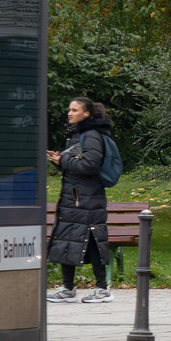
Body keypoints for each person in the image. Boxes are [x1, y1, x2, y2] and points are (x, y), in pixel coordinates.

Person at [46, 96, 115, 303]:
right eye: (69, 109)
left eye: (75, 110)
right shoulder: (77, 134)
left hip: (87, 199)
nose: (70, 113)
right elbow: (77, 165)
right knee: (67, 239)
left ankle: (102, 289)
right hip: (75, 197)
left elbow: (91, 165)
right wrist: (61, 161)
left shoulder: (91, 135)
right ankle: (68, 288)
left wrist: (64, 160)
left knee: (91, 240)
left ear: (87, 113)